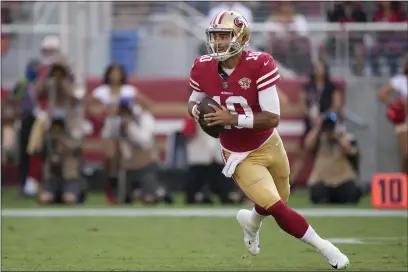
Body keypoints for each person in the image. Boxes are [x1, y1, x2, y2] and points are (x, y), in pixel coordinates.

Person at [186, 10, 349, 269]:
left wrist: (231, 119)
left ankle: (251, 223)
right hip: (238, 154)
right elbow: (193, 102)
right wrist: (198, 113)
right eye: (214, 36)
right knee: (277, 208)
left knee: (280, 199)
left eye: (224, 36)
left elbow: (273, 117)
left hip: (269, 142)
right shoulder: (202, 66)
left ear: (240, 38)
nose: (217, 42)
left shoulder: (259, 63)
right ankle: (326, 248)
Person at [305, 113, 362, 204]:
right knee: (317, 194)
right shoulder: (319, 138)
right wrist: (317, 128)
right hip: (323, 180)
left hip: (343, 180)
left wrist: (338, 138)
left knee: (352, 194)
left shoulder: (347, 137)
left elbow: (349, 152)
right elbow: (308, 146)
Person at [378, 55, 408, 173]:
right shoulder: (400, 80)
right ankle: (403, 182)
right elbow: (382, 95)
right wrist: (396, 104)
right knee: (406, 155)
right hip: (404, 123)